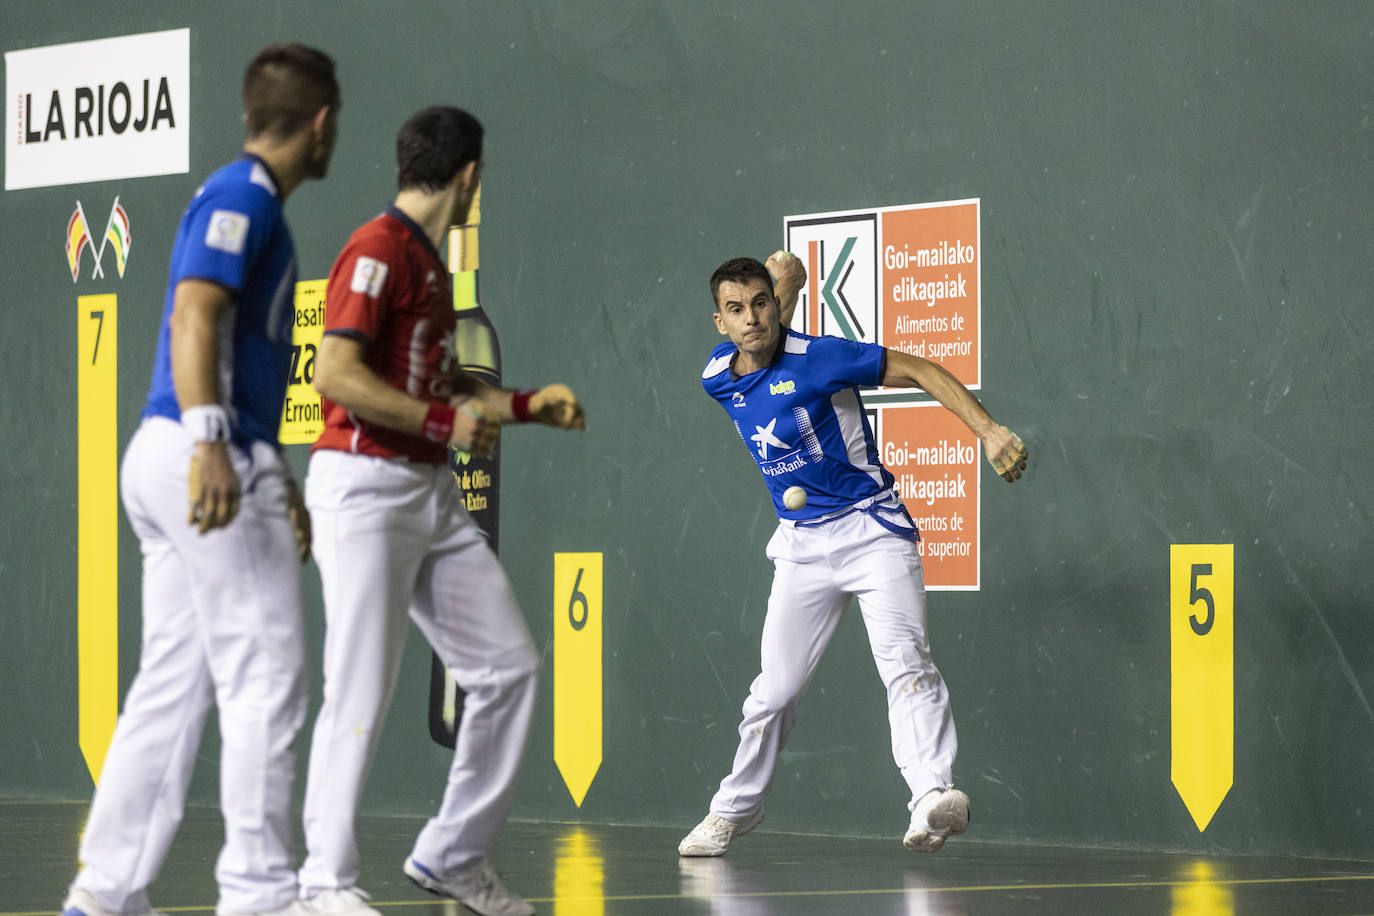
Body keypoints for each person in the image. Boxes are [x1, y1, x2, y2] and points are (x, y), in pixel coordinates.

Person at [60, 45, 340, 916]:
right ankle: (259, 893)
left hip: (181, 453)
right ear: (321, 123)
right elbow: (194, 313)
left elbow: (234, 349)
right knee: (267, 675)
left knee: (172, 686)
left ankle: (106, 892)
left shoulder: (244, 199)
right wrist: (214, 442)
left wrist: (275, 471)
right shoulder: (243, 197)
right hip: (199, 452)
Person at [296, 106, 585, 916]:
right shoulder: (377, 248)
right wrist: (440, 424)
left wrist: (524, 406)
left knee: (509, 668)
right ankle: (322, 883)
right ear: (469, 177)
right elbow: (335, 374)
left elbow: (444, 383)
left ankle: (454, 856)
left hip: (429, 495)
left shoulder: (427, 265)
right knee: (359, 687)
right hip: (362, 489)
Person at [678, 254, 1028, 858]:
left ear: (772, 305)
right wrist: (789, 281)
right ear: (720, 323)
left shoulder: (823, 357)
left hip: (872, 531)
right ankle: (734, 809)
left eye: (761, 303)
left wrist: (989, 431)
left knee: (906, 663)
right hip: (801, 546)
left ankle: (931, 796)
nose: (752, 318)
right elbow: (767, 344)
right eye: (736, 310)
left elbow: (919, 368)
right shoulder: (717, 375)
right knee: (775, 692)